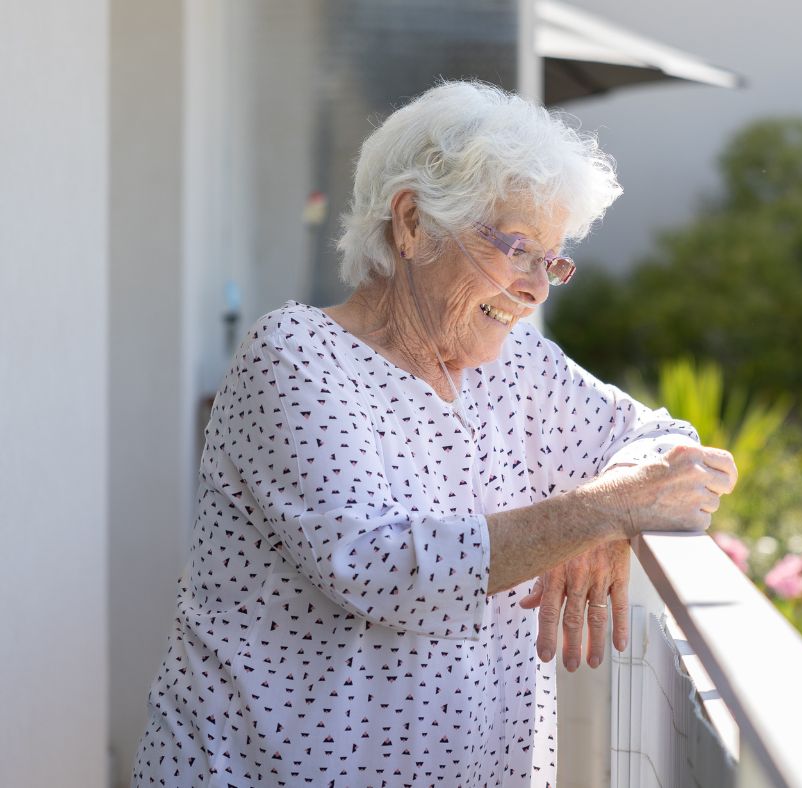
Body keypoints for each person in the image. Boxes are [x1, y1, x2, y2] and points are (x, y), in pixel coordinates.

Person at [133, 80, 737, 787]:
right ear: (413, 224)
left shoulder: (515, 365)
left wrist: (607, 516)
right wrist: (604, 511)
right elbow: (383, 568)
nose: (537, 289)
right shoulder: (295, 356)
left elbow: (668, 444)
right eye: (516, 248)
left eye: (552, 261)